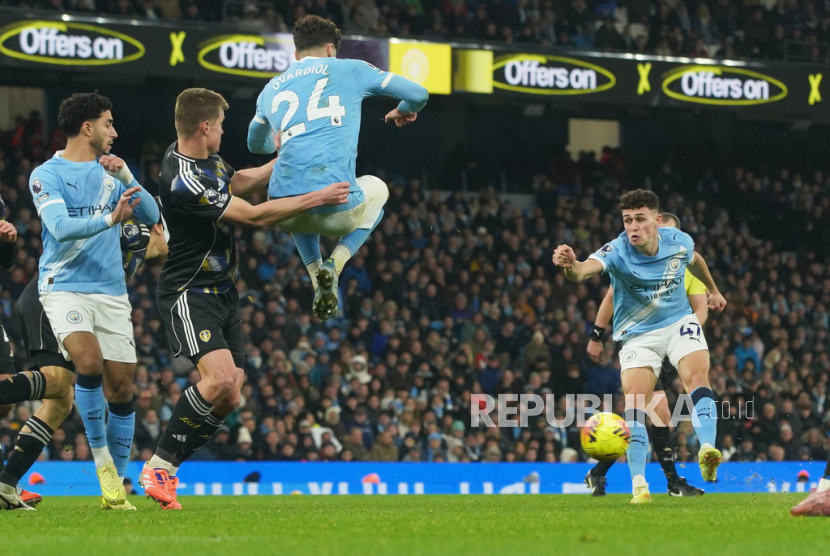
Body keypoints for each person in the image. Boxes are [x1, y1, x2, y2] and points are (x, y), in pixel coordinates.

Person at [140, 88, 350, 510]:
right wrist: (319, 198)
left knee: (232, 392)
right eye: (219, 125)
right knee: (217, 380)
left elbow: (238, 181)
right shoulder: (184, 181)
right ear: (204, 127)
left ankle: (166, 469)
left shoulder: (201, 158)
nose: (222, 131)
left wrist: (286, 158)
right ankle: (157, 467)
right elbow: (254, 215)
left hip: (223, 291)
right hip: (189, 290)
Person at [22, 92, 159, 510]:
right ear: (88, 128)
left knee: (121, 386)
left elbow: (152, 218)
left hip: (112, 292)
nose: (114, 133)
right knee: (88, 363)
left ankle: (116, 483)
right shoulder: (46, 174)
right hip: (63, 285)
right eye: (108, 124)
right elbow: (61, 228)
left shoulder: (112, 172)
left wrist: (130, 176)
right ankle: (102, 466)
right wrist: (110, 218)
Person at [247, 15, 429, 321]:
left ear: (296, 54)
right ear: (332, 49)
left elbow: (255, 144)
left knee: (297, 196)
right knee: (379, 191)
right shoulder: (350, 68)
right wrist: (404, 110)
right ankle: (335, 264)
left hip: (281, 209)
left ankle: (315, 273)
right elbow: (419, 95)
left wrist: (277, 143)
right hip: (336, 207)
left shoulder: (271, 88)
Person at [553, 189, 727, 504]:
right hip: (637, 334)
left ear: (657, 221)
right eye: (627, 220)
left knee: (697, 377)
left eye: (640, 220)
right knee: (636, 404)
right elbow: (580, 272)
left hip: (678, 324)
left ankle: (707, 449)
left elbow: (696, 260)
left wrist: (713, 289)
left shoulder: (678, 241)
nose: (633, 227)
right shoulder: (616, 250)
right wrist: (570, 263)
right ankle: (639, 485)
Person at [0, 208, 168, 511]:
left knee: (60, 400)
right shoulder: (133, 234)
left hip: (53, 298)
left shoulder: (140, 254)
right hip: (50, 297)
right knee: (57, 384)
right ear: (158, 227)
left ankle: (5, 484)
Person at [584, 212, 705, 497]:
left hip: (673, 346)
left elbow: (701, 311)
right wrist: (596, 335)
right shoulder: (635, 264)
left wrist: (681, 339)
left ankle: (599, 472)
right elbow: (611, 297)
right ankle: (672, 483)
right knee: (656, 412)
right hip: (641, 344)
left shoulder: (686, 270)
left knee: (652, 415)